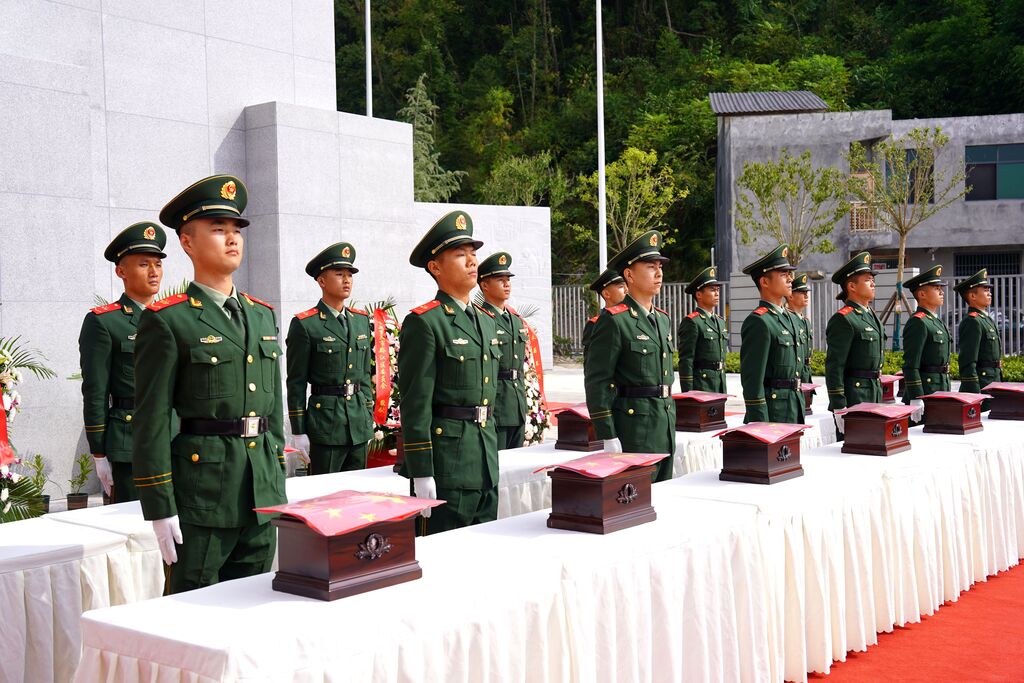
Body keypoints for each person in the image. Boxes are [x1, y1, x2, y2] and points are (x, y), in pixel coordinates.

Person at [133, 175, 286, 593]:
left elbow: (273, 408)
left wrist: (278, 474)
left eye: (236, 230)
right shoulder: (168, 320)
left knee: (253, 604)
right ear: (187, 242)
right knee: (193, 612)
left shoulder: (260, 314)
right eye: (218, 230)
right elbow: (151, 421)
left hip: (261, 493)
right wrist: (158, 506)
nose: (232, 239)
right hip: (203, 497)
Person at [398, 211, 500, 534]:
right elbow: (415, 404)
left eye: (473, 254)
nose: (472, 261)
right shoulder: (425, 323)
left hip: (484, 463)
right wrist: (421, 470)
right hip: (448, 468)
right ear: (436, 267)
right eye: (460, 254)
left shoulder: (486, 321)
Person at [79, 222, 166, 503]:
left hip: (176, 438)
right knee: (133, 529)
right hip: (130, 442)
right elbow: (95, 391)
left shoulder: (172, 318)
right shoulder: (104, 322)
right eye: (143, 264)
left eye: (157, 264)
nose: (154, 272)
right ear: (121, 271)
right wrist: (99, 453)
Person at [584, 230, 676, 482]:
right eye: (650, 267)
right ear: (629, 275)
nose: (658, 273)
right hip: (634, 428)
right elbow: (598, 381)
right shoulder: (615, 321)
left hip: (664, 422)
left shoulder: (663, 320)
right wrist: (608, 433)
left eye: (659, 267)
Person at [286, 242, 374, 474]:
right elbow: (295, 382)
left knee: (358, 497)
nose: (347, 280)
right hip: (326, 424)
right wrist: (299, 430)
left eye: (349, 275)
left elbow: (364, 374)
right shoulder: (306, 324)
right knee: (326, 497)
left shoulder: (360, 320)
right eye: (339, 274)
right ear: (321, 281)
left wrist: (367, 412)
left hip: (357, 422)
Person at [739, 244, 803, 424]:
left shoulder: (790, 318)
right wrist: (759, 422)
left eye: (789, 274)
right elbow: (752, 380)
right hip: (773, 412)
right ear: (764, 282)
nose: (790, 279)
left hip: (793, 406)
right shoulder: (759, 321)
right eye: (783, 275)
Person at [823, 252, 884, 436]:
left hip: (874, 392)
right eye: (867, 280)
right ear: (851, 286)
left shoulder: (871, 316)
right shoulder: (844, 319)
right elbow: (834, 366)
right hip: (855, 396)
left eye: (873, 279)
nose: (873, 283)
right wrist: (839, 406)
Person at [476, 252, 528, 450]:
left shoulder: (515, 320)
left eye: (508, 280)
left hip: (516, 403)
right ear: (485, 285)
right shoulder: (479, 318)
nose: (507, 284)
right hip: (496, 406)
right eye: (500, 280)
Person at [902, 265, 951, 411]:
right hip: (926, 391)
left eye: (941, 288)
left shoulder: (935, 320)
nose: (942, 292)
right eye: (936, 288)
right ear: (922, 294)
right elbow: (911, 364)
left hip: (941, 386)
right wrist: (916, 397)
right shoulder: (918, 322)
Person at [955, 268, 1002, 408]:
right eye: (985, 290)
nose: (990, 293)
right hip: (981, 385)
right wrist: (975, 394)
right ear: (973, 296)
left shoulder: (985, 319)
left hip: (993, 381)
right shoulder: (972, 321)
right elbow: (968, 362)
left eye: (989, 289)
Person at [677, 266, 726, 392]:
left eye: (717, 290)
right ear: (699, 294)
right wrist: (688, 393)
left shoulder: (720, 321)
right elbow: (686, 360)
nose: (717, 293)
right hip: (702, 385)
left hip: (719, 383)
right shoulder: (692, 322)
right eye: (712, 290)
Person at [582, 269, 627, 353]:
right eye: (621, 287)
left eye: (628, 286)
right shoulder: (596, 324)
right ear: (606, 294)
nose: (627, 290)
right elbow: (594, 363)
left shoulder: (637, 320)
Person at [788, 272, 813, 384]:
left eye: (806, 292)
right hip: (794, 375)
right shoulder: (787, 321)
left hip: (806, 373)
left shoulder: (806, 321)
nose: (807, 296)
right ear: (790, 296)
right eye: (802, 293)